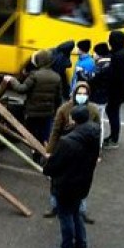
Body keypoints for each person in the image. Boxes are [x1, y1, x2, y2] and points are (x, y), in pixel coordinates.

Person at [43, 105, 100, 248]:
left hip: (66, 184)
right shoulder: (94, 133)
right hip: (83, 182)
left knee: (66, 216)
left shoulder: (67, 142)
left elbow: (53, 166)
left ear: (73, 120)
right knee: (76, 214)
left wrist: (47, 164)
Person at [44, 82, 101, 224]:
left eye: (85, 93)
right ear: (74, 93)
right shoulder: (64, 109)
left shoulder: (93, 110)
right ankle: (55, 206)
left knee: (81, 182)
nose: (82, 96)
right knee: (56, 180)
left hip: (83, 153)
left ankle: (81, 211)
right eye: (79, 93)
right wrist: (49, 151)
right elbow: (55, 131)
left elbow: (97, 133)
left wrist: (97, 154)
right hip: (65, 149)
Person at [5, 49, 63, 161]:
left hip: (33, 111)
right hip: (48, 112)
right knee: (45, 135)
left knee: (33, 134)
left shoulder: (34, 76)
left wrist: (12, 80)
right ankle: (46, 154)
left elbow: (21, 89)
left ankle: (35, 153)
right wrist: (54, 111)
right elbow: (58, 98)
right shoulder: (57, 77)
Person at [102, 30, 124, 149]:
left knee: (113, 112)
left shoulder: (118, 57)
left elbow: (114, 75)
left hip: (116, 91)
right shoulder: (123, 53)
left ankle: (114, 139)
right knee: (113, 112)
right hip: (121, 90)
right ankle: (113, 137)